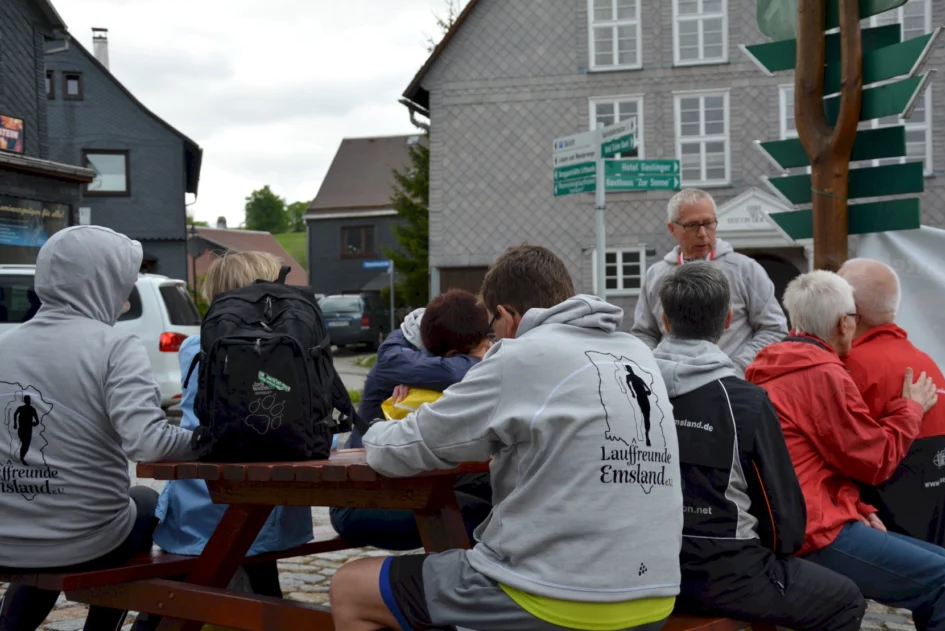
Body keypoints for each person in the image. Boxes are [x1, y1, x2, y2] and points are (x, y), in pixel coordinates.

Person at [330, 244, 683, 631]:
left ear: (506, 316)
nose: (493, 341)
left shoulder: (519, 355)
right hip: (655, 597)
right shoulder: (637, 353)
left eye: (493, 331)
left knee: (350, 587)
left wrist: (376, 429)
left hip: (556, 597)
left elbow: (405, 449)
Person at [745, 270, 945, 631]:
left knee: (943, 560)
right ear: (844, 323)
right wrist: (912, 408)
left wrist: (857, 507)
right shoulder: (824, 373)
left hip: (792, 519)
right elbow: (875, 460)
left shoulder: (767, 363)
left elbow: (815, 459)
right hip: (813, 533)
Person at [0, 225, 196, 631]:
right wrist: (207, 442)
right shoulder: (113, 345)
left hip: (5, 538)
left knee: (46, 533)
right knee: (147, 501)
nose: (125, 300)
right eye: (121, 285)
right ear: (100, 283)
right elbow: (149, 443)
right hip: (88, 539)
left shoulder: (5, 345)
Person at [653, 262, 865, 631]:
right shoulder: (745, 401)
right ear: (728, 321)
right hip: (721, 572)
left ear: (664, 321)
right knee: (845, 600)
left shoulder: (629, 388)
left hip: (644, 565)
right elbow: (783, 517)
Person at [145, 251, 317, 602]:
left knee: (180, 591)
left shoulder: (197, 346)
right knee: (262, 582)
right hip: (275, 511)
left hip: (200, 505)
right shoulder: (295, 350)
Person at [331, 289, 493, 550]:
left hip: (419, 482)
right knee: (481, 515)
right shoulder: (395, 356)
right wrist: (489, 361)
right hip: (360, 498)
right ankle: (437, 585)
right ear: (453, 354)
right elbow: (470, 369)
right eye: (484, 344)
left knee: (497, 492)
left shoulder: (430, 351)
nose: (490, 345)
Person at [838, 258, 945, 559]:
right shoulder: (923, 359)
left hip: (890, 487)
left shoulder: (850, 365)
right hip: (940, 466)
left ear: (850, 306)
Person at [633, 189, 787, 374]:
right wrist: (657, 371)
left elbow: (774, 329)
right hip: (672, 387)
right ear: (672, 229)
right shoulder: (655, 275)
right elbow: (644, 334)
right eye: (692, 226)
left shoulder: (745, 269)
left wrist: (736, 368)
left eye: (709, 223)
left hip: (730, 385)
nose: (703, 234)